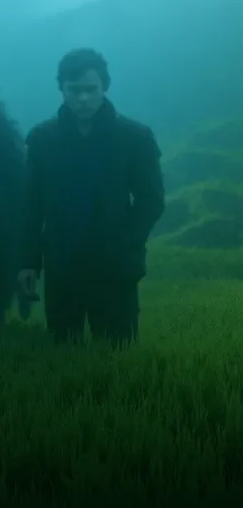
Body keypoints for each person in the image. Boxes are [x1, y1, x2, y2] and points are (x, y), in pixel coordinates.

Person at [18, 48, 165, 346]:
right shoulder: (42, 140)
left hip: (116, 267)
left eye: (90, 89)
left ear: (105, 87)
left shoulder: (135, 138)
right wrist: (28, 263)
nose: (83, 98)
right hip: (61, 264)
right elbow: (31, 207)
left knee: (118, 355)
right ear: (61, 89)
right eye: (74, 90)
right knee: (63, 353)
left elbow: (151, 200)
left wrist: (127, 242)